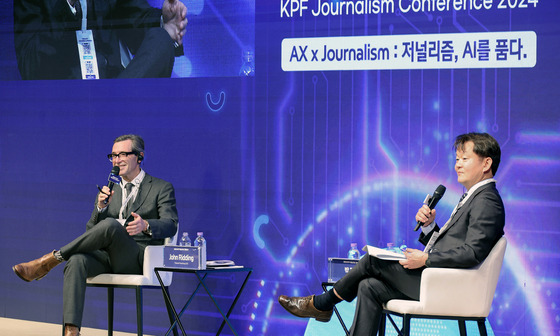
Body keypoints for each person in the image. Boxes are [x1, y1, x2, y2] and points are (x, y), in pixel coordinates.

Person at [278, 132, 505, 336]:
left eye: (464, 159)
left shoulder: (487, 200)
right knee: (368, 286)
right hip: (437, 281)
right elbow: (454, 246)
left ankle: (323, 303)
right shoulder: (473, 197)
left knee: (372, 261)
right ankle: (325, 306)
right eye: (457, 160)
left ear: (486, 163)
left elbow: (472, 252)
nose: (457, 165)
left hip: (446, 287)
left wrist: (425, 258)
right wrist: (429, 227)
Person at [12, 134, 179, 336]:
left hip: (137, 258)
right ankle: (71, 331)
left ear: (140, 157)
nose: (117, 161)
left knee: (110, 225)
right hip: (107, 257)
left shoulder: (161, 188)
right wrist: (100, 208)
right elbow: (90, 233)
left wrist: (145, 225)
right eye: (114, 156)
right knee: (76, 260)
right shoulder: (110, 189)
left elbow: (171, 224)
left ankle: (50, 260)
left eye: (123, 154)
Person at [14, 0, 188, 80]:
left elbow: (137, 20)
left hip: (115, 85)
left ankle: (116, 105)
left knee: (161, 38)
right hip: (69, 96)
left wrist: (165, 23)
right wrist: (67, 4)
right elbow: (30, 65)